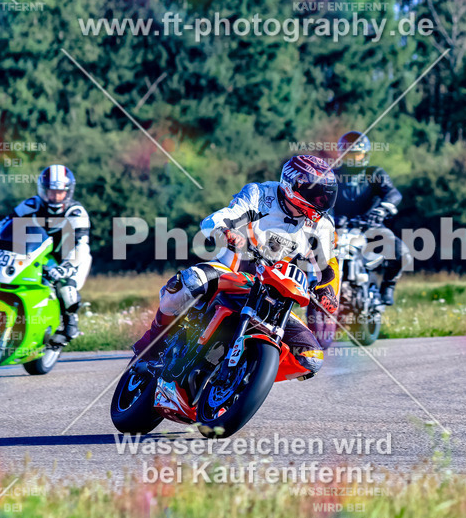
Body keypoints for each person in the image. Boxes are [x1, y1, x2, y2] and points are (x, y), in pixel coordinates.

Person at [132, 155, 341, 379]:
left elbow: (330, 265)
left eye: (326, 196)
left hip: (275, 294)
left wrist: (328, 290)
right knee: (187, 283)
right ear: (293, 185)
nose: (322, 201)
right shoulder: (260, 195)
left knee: (310, 358)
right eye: (316, 194)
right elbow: (222, 216)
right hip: (232, 273)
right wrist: (224, 230)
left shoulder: (322, 224)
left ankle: (248, 376)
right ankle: (153, 343)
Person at [1, 165, 92, 343]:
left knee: (66, 287)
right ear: (43, 190)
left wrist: (66, 267)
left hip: (69, 258)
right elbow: (4, 224)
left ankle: (70, 325)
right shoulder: (31, 205)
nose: (55, 196)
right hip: (37, 254)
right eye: (51, 191)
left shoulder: (76, 212)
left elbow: (82, 245)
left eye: (60, 192)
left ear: (68, 191)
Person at [332, 131, 412, 306]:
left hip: (371, 227)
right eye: (349, 154)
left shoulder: (375, 173)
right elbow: (318, 196)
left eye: (357, 154)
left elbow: (393, 193)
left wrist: (383, 209)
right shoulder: (331, 175)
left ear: (365, 154)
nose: (353, 158)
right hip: (336, 229)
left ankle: (388, 286)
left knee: (401, 253)